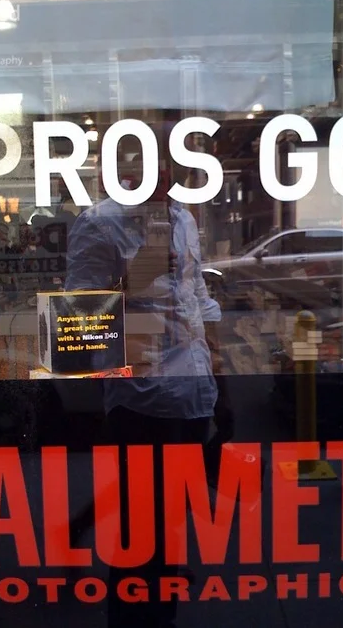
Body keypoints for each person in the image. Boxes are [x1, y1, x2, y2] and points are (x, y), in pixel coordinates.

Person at [64, 166, 227, 628]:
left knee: (171, 517)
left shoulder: (183, 218)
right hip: (142, 400)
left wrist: (221, 370)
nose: (168, 174)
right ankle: (135, 614)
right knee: (140, 529)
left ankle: (161, 598)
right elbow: (76, 323)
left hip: (193, 393)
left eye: (174, 165)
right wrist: (134, 279)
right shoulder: (100, 223)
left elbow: (197, 296)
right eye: (158, 162)